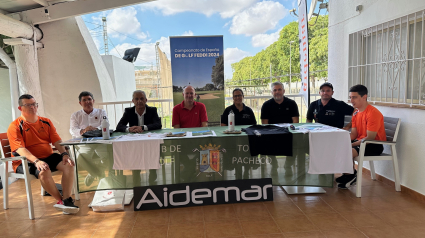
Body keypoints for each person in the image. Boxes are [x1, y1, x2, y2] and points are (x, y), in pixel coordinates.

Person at [7, 94, 79, 214]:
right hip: (25, 161)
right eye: (28, 105)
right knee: (43, 170)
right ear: (20, 108)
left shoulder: (46, 122)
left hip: (47, 157)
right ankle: (61, 201)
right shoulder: (15, 126)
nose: (32, 107)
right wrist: (36, 161)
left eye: (34, 104)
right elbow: (20, 149)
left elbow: (57, 141)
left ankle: (66, 199)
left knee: (69, 164)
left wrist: (64, 154)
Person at [336, 84, 386, 189]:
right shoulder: (356, 113)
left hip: (373, 145)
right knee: (338, 147)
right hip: (361, 142)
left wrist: (351, 145)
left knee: (347, 150)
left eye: (354, 97)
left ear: (364, 97)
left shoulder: (373, 113)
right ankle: (349, 174)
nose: (351, 100)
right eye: (350, 97)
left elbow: (370, 137)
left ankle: (350, 175)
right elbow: (353, 134)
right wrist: (341, 141)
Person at [69, 91, 111, 187]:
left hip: (100, 140)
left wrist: (95, 129)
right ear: (80, 103)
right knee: (81, 157)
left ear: (93, 101)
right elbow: (72, 130)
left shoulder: (101, 112)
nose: (87, 102)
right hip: (85, 141)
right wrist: (84, 130)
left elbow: (106, 124)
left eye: (89, 99)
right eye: (84, 100)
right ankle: (96, 173)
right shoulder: (75, 115)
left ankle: (93, 173)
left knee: (108, 157)